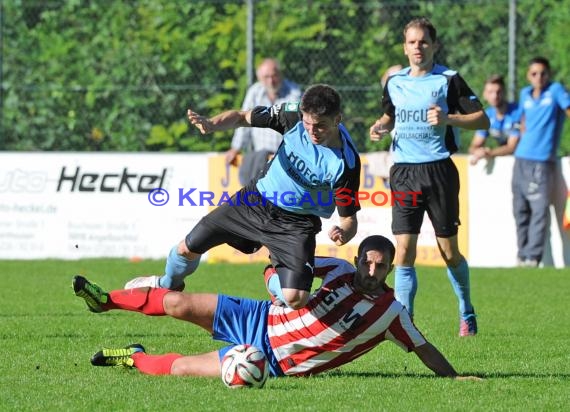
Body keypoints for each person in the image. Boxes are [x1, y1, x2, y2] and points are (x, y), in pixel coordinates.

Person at [72, 235, 481, 381]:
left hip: (270, 359)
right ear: (357, 260)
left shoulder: (393, 313)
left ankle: (132, 358)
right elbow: (282, 267)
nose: (372, 269)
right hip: (261, 317)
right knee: (177, 301)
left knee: (181, 368)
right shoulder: (336, 269)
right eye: (368, 261)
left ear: (390, 268)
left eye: (381, 265)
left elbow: (424, 348)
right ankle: (104, 301)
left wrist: (455, 377)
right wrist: (275, 284)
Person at [126, 84, 361, 309]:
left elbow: (349, 220)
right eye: (308, 123)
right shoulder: (292, 116)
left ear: (337, 119)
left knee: (296, 298)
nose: (311, 131)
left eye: (320, 126)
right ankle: (166, 284)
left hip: (296, 224)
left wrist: (343, 233)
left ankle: (271, 277)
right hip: (254, 201)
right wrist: (212, 124)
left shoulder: (345, 162)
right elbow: (242, 116)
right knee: (186, 248)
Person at [369, 17, 490, 336]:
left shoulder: (448, 80)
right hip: (404, 172)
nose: (418, 47)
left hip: (438, 171)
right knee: (404, 250)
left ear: (434, 45)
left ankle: (466, 310)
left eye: (423, 41)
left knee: (448, 251)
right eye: (412, 42)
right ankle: (405, 321)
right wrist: (381, 126)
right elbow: (389, 114)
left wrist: (450, 118)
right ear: (404, 47)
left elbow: (483, 121)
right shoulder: (394, 81)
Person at [510, 57, 570, 267]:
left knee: (539, 209)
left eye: (543, 73)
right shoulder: (525, 93)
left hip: (541, 161)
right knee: (520, 209)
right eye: (534, 73)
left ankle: (533, 258)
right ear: (528, 75)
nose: (539, 77)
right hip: (520, 158)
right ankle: (522, 254)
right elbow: (520, 121)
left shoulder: (555, 91)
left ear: (549, 74)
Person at [225, 58, 302, 185]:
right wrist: (235, 148)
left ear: (280, 74)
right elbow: (244, 121)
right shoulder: (254, 92)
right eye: (266, 77)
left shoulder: (294, 92)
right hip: (261, 159)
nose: (271, 81)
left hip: (287, 158)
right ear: (259, 78)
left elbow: (298, 127)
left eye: (274, 76)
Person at [469, 74, 520, 166]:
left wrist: (489, 153)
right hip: (507, 162)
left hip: (523, 160)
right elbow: (474, 146)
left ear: (504, 92)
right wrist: (479, 151)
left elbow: (512, 147)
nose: (495, 96)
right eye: (490, 92)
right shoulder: (487, 116)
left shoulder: (517, 112)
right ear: (484, 95)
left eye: (498, 92)